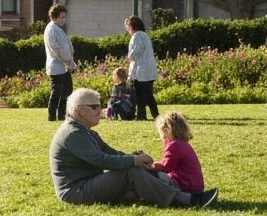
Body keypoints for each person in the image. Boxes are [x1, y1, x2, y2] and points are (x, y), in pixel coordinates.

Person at [49, 88, 217, 208]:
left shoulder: (86, 132)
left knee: (135, 179)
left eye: (100, 106)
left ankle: (170, 194)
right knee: (132, 172)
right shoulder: (73, 134)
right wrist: (133, 161)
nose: (100, 110)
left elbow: (111, 152)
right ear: (79, 110)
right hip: (76, 192)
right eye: (94, 107)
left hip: (88, 184)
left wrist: (134, 158)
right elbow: (102, 161)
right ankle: (188, 200)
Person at [151, 111, 205, 195]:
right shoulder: (183, 144)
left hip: (185, 186)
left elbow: (166, 168)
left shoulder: (174, 145)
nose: (161, 136)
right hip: (195, 186)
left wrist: (150, 166)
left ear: (166, 130)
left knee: (153, 176)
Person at [44, 3, 76, 122]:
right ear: (54, 17)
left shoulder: (58, 28)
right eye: (61, 17)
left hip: (64, 66)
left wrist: (71, 63)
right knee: (57, 92)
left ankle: (62, 115)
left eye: (64, 17)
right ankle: (52, 116)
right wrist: (68, 62)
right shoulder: (52, 29)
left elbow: (66, 47)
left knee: (67, 91)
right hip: (57, 67)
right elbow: (57, 49)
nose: (63, 19)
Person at [125, 15, 159, 121]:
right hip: (148, 70)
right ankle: (155, 115)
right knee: (149, 95)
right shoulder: (145, 35)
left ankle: (142, 116)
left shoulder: (136, 36)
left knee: (139, 94)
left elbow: (136, 51)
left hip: (141, 71)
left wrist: (129, 56)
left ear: (132, 26)